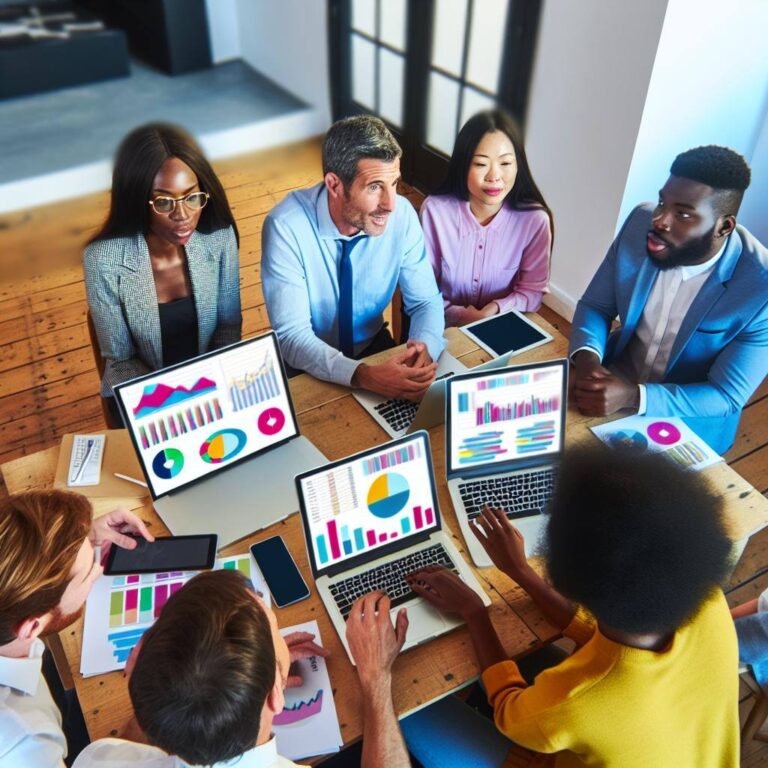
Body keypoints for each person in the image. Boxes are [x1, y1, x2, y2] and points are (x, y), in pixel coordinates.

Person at [408, 448, 739, 767]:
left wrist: (475, 612)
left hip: (542, 749)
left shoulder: (576, 702)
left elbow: (510, 711)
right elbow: (607, 637)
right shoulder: (708, 600)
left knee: (410, 713)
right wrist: (520, 571)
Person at [73, 571, 412, 768]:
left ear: (135, 660)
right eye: (273, 627)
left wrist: (241, 671)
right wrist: (375, 676)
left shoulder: (101, 759)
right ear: (276, 696)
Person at [569, 145, 767, 454]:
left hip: (687, 420)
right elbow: (596, 306)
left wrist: (635, 397)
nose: (659, 220)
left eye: (683, 214)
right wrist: (587, 361)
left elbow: (726, 395)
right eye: (663, 201)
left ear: (724, 226)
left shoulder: (761, 289)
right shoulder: (639, 224)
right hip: (611, 380)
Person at [262, 115, 445, 401]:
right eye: (374, 187)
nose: (390, 204)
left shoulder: (403, 216)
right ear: (334, 184)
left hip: (373, 346)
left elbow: (425, 301)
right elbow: (293, 336)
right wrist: (363, 376)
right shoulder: (286, 226)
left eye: (394, 183)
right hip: (305, 362)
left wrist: (424, 351)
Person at [84, 123, 242, 422]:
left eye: (191, 197)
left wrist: (210, 396)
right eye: (163, 201)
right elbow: (121, 361)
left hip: (213, 392)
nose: (182, 215)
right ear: (136, 200)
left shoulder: (220, 238)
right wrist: (179, 403)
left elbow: (227, 329)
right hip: (143, 398)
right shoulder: (102, 259)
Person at [0, 490, 154, 768]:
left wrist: (82, 540)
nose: (98, 571)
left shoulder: (12, 621)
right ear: (33, 626)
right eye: (87, 573)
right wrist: (149, 712)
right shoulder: (27, 743)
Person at [421, 110, 552, 326]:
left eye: (506, 163)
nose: (494, 176)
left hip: (501, 327)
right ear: (463, 166)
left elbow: (533, 291)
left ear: (519, 165)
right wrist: (460, 315)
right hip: (440, 328)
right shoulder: (435, 212)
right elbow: (423, 290)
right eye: (481, 164)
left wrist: (495, 309)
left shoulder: (534, 220)